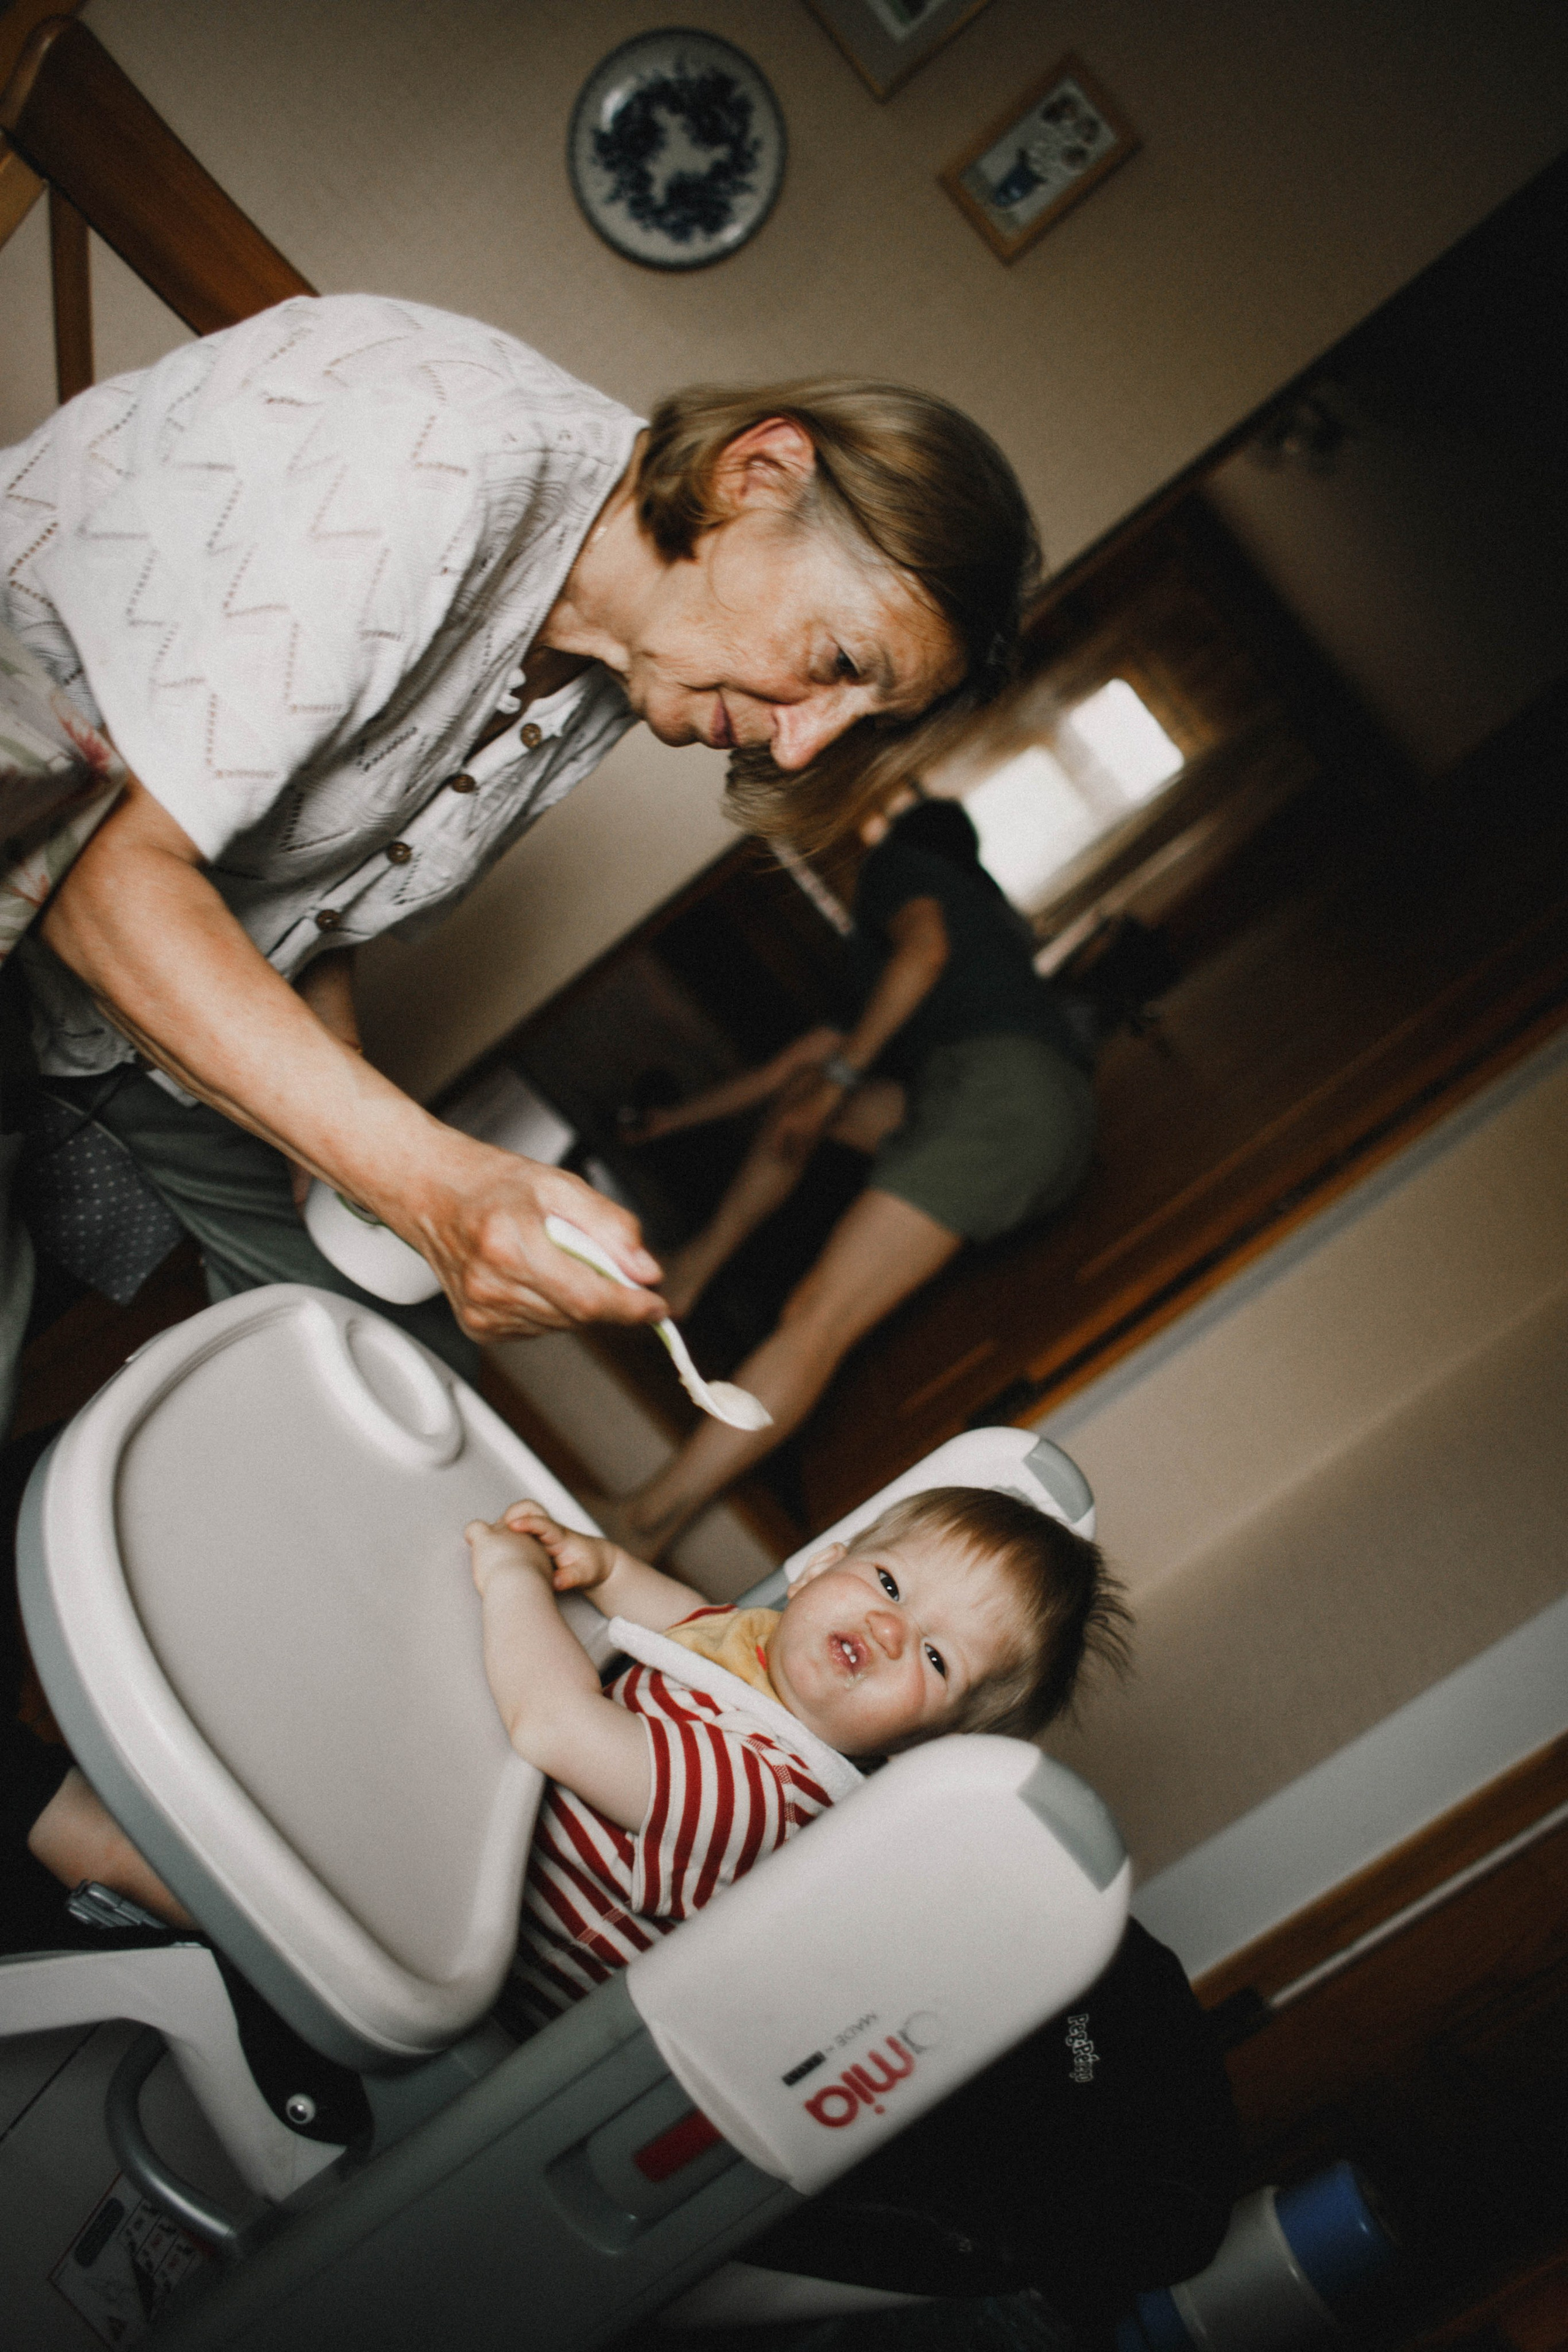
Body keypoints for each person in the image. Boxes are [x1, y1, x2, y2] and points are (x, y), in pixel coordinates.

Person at [0, 292, 1040, 1403]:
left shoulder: (623, 666)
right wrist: (423, 1176)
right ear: (760, 472)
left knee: (405, 1369)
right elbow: (98, 878)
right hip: (62, 906)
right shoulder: (442, 462)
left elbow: (311, 893)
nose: (801, 750)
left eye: (860, 728)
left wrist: (345, 1161)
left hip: (134, 998)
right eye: (838, 662)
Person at [604, 797, 1098, 1559]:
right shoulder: (957, 932)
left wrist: (839, 1074)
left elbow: (920, 955)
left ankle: (645, 1520)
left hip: (1002, 1097)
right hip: (999, 1098)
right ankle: (693, 1272)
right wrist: (677, 1121)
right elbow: (791, 1070)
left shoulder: (903, 872)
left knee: (820, 1312)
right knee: (812, 1107)